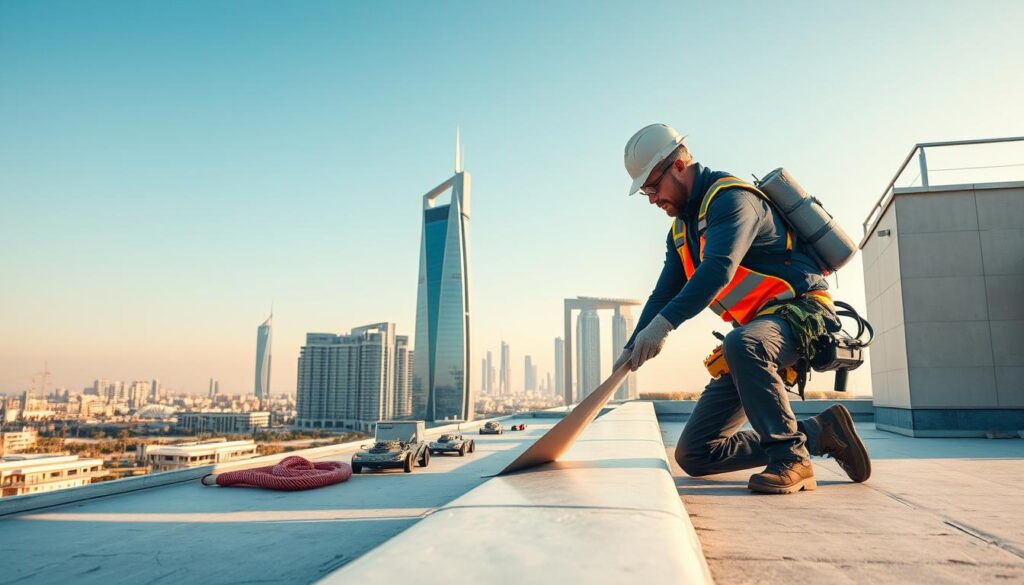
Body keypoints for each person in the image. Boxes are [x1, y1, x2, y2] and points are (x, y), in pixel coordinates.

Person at [615, 123, 870, 494]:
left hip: (802, 312)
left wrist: (664, 327)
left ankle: (791, 460)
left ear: (679, 167)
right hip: (758, 334)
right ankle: (819, 434)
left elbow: (718, 270)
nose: (652, 198)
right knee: (696, 454)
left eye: (653, 186)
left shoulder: (731, 200)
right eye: (645, 193)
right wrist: (632, 345)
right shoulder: (680, 232)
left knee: (742, 343)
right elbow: (663, 292)